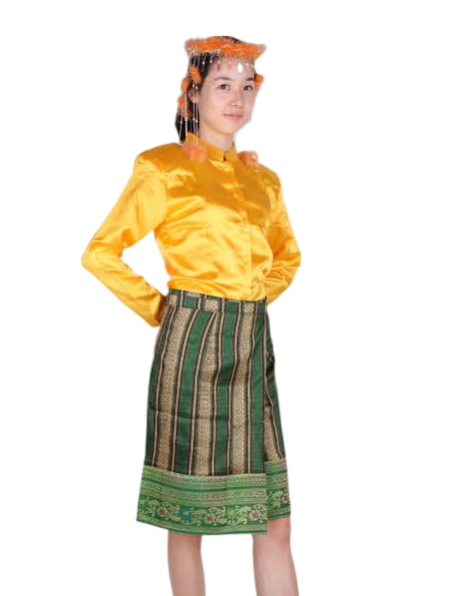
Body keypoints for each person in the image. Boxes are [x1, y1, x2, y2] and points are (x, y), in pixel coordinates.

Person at [79, 34, 302, 596]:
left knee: (276, 522)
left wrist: (249, 299)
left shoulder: (265, 179)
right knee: (186, 522)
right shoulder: (161, 166)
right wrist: (165, 310)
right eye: (223, 85)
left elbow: (290, 257)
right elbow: (99, 252)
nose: (237, 100)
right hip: (192, 343)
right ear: (193, 93)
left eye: (247, 88)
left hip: (253, 343)